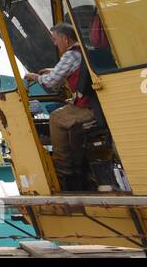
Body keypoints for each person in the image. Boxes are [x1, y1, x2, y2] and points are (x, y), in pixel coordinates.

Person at [23, 22, 96, 191]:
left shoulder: (70, 55)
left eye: (56, 39)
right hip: (94, 105)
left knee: (56, 118)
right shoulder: (83, 51)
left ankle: (63, 171)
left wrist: (34, 76)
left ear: (65, 39)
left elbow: (50, 82)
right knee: (73, 127)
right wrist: (53, 70)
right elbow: (66, 72)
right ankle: (78, 167)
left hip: (87, 108)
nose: (55, 43)